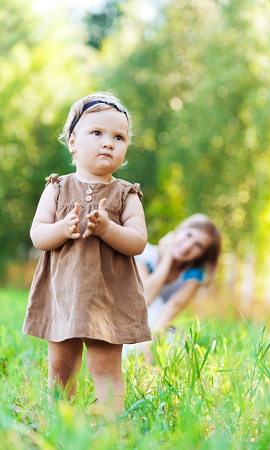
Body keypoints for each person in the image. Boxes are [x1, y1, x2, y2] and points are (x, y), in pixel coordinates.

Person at [22, 92, 151, 417]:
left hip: (109, 298)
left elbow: (138, 242)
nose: (108, 142)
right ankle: (60, 422)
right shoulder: (57, 188)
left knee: (105, 366)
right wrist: (63, 229)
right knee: (61, 366)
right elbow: (38, 235)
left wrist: (107, 228)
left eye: (118, 137)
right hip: (63, 295)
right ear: (73, 143)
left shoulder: (125, 194)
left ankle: (110, 426)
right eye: (97, 133)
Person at [124, 214, 221, 359]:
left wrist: (149, 343)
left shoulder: (192, 275)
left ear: (202, 255)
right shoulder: (147, 254)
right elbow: (144, 299)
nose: (188, 246)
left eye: (198, 245)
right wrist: (168, 257)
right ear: (179, 230)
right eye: (188, 235)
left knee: (180, 345)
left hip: (157, 325)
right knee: (156, 304)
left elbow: (172, 308)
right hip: (127, 317)